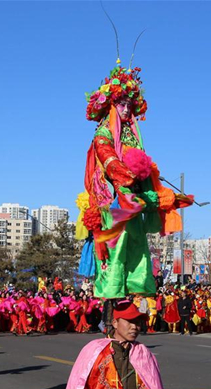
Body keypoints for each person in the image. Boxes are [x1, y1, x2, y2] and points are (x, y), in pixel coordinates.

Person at [75, 62, 193, 299]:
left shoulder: (132, 136)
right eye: (121, 104)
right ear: (111, 104)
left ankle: (136, 294)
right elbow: (107, 156)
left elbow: (144, 168)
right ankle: (112, 302)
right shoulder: (104, 132)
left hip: (134, 201)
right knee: (115, 251)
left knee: (139, 248)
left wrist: (152, 188)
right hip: (114, 202)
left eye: (130, 104)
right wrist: (126, 176)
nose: (127, 109)